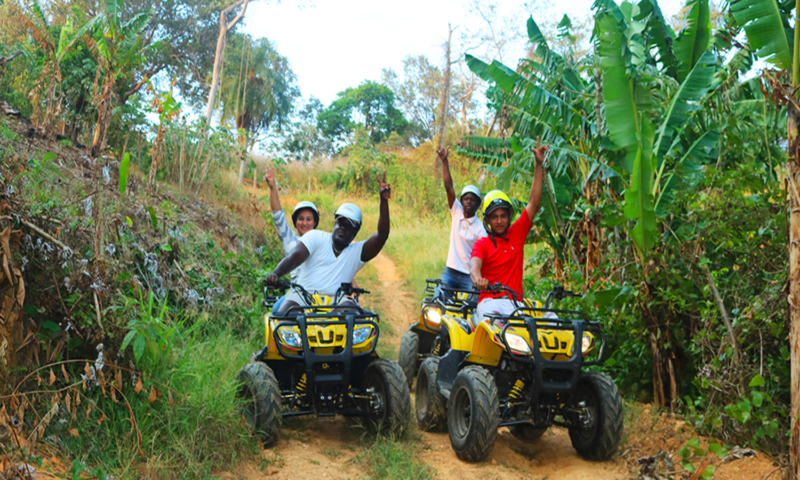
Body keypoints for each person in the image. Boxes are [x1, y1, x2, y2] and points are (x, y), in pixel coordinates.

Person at [265, 172, 392, 313]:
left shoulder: (357, 253)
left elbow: (382, 236)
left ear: (356, 231)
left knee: (354, 314)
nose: (342, 228)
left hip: (337, 300)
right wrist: (276, 274)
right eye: (340, 223)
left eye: (348, 226)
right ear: (334, 223)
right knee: (286, 313)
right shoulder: (314, 237)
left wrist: (383, 202)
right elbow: (294, 257)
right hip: (302, 296)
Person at [469, 138, 549, 324]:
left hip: (516, 304)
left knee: (548, 321)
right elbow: (474, 266)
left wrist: (538, 165)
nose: (499, 221)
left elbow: (533, 203)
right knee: (495, 325)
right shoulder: (482, 244)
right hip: (489, 303)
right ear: (488, 220)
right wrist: (479, 279)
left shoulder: (517, 234)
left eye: (503, 216)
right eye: (494, 217)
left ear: (509, 217)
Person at [264, 166, 319, 311]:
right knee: (277, 312)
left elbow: (338, 257)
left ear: (315, 222)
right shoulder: (290, 240)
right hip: (297, 293)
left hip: (321, 293)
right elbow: (278, 217)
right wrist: (272, 188)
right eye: (301, 219)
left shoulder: (322, 240)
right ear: (295, 222)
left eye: (309, 219)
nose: (305, 223)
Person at [437, 147, 486, 295]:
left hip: (468, 276)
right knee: (437, 298)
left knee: (475, 303)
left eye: (472, 199)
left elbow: (484, 255)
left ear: (478, 204)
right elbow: (448, 187)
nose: (468, 202)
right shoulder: (456, 211)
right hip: (450, 271)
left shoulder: (480, 229)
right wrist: (445, 161)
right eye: (466, 199)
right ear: (462, 201)